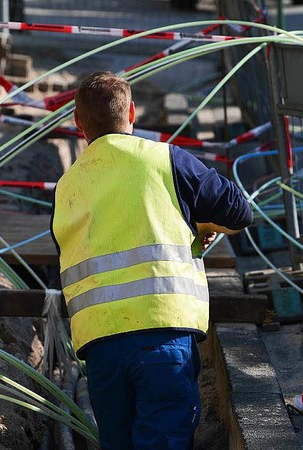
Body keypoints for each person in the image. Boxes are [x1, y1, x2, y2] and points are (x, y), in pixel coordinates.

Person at [50, 71, 252, 449]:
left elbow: (67, 255)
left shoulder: (66, 188)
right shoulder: (166, 160)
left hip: (101, 347)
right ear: (132, 114)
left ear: (78, 123)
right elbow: (239, 212)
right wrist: (202, 223)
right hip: (165, 335)